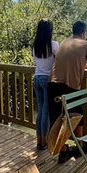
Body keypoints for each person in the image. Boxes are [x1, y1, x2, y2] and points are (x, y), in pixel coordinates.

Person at [48, 20, 87, 163]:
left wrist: (83, 64)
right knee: (78, 116)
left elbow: (68, 61)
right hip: (68, 86)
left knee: (58, 121)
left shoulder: (64, 43)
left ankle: (63, 151)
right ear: (83, 33)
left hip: (52, 85)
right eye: (86, 33)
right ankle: (80, 146)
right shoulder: (86, 44)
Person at [33, 19, 59, 150]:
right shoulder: (53, 45)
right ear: (50, 30)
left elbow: (36, 63)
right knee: (46, 112)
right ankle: (45, 142)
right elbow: (60, 61)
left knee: (40, 109)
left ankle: (39, 141)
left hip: (36, 78)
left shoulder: (35, 45)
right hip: (47, 80)